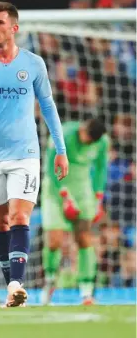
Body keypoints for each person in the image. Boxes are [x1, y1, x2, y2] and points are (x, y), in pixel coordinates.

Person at [0, 2, 68, 307]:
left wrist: (60, 150)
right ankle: (13, 286)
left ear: (14, 28)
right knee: (1, 224)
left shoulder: (34, 64)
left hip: (26, 154)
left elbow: (48, 107)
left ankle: (16, 284)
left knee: (19, 215)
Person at [41, 118, 109, 305]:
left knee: (84, 238)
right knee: (54, 240)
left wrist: (97, 198)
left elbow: (101, 168)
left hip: (82, 190)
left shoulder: (102, 141)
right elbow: (49, 166)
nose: (88, 143)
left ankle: (87, 292)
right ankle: (49, 282)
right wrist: (65, 196)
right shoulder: (61, 135)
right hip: (56, 190)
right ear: (82, 128)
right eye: (87, 138)